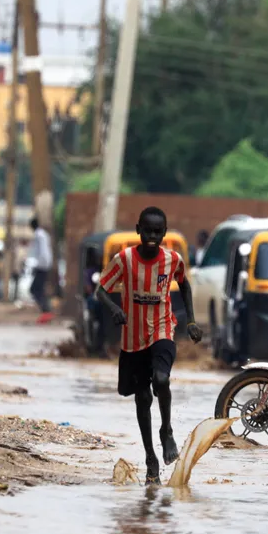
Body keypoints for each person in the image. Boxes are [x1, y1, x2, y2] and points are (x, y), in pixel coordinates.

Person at [96, 207, 203, 485]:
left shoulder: (172, 260)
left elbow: (186, 285)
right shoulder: (124, 260)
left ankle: (166, 430)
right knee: (142, 397)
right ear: (138, 230)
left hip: (163, 329)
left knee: (162, 379)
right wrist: (114, 309)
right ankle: (150, 458)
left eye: (158, 232)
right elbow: (101, 290)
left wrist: (191, 321)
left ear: (164, 233)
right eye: (148, 231)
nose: (152, 236)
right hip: (132, 338)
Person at [28, 218, 53, 314]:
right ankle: (45, 309)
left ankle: (45, 309)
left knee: (35, 289)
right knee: (39, 288)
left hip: (42, 265)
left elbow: (43, 251)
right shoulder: (43, 234)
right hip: (43, 264)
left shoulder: (39, 235)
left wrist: (39, 264)